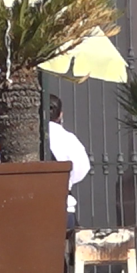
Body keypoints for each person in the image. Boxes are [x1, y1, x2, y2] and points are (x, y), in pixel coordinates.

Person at [49, 94, 91, 229]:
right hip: (64, 207)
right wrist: (69, 181)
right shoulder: (67, 138)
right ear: (60, 115)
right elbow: (82, 167)